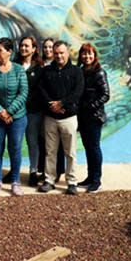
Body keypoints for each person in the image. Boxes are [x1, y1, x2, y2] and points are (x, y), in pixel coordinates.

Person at [38, 41, 85, 195]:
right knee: (50, 151)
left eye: (61, 53)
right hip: (50, 118)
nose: (58, 56)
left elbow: (78, 92)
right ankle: (49, 180)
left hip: (69, 118)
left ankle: (71, 182)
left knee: (70, 152)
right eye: (56, 53)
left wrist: (62, 103)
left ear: (68, 52)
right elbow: (41, 89)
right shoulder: (46, 71)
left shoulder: (76, 71)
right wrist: (51, 105)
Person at [0, 37, 28, 197]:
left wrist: (9, 111)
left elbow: (23, 93)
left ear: (9, 52)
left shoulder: (19, 70)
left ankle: (15, 182)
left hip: (17, 118)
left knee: (15, 149)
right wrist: (0, 111)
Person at [77, 43, 110, 193]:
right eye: (84, 54)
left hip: (94, 117)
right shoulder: (80, 72)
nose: (87, 56)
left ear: (94, 56)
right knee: (88, 148)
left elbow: (105, 95)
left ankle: (97, 180)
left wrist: (91, 106)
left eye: (89, 54)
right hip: (82, 117)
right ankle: (90, 177)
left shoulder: (99, 72)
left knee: (94, 148)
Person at [14, 36, 44, 187]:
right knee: (16, 143)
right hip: (17, 112)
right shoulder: (13, 66)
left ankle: (33, 171)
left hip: (33, 112)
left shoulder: (39, 68)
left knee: (32, 142)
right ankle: (14, 173)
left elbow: (40, 90)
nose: (24, 48)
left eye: (27, 46)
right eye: (22, 46)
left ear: (33, 49)